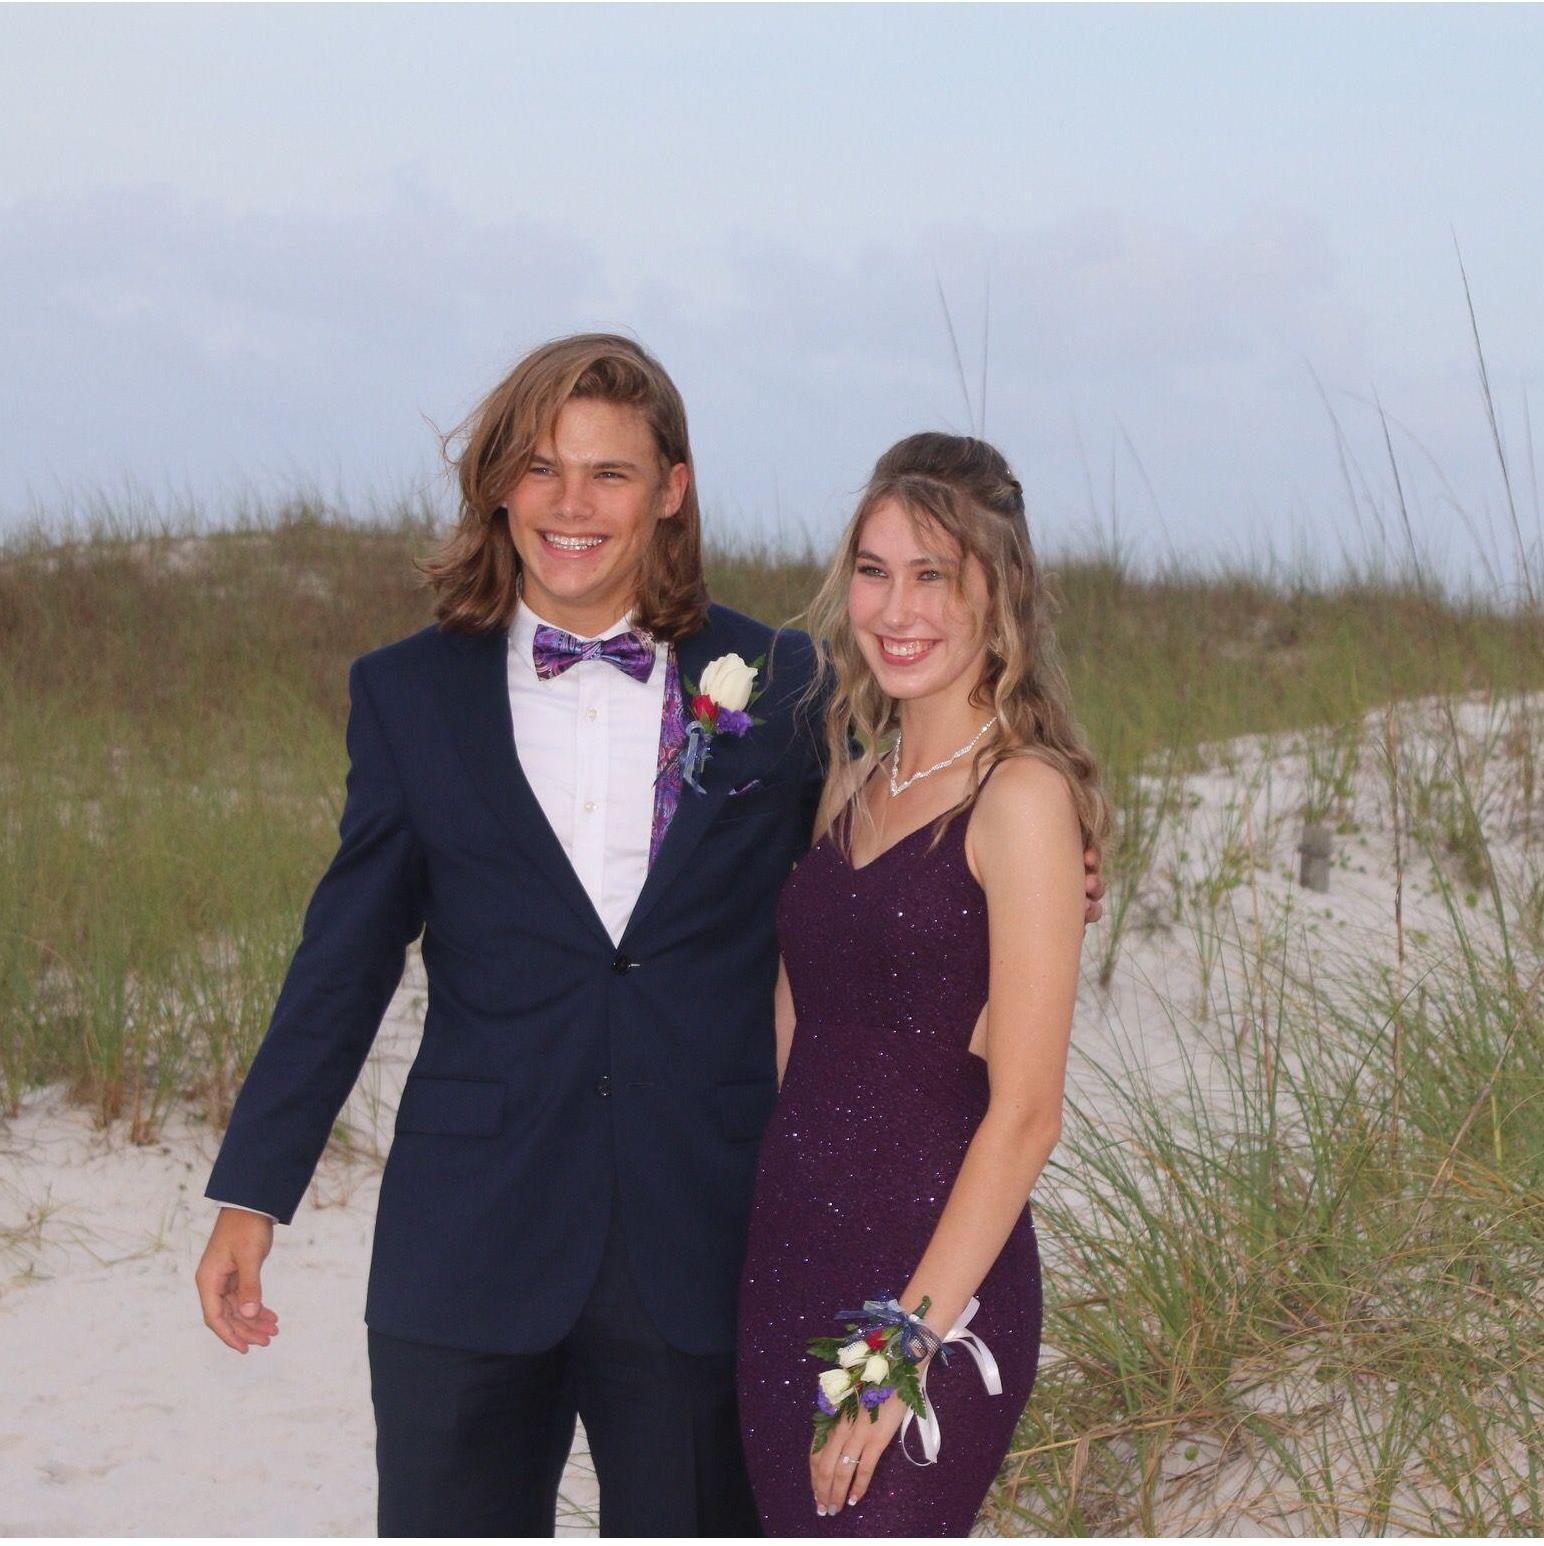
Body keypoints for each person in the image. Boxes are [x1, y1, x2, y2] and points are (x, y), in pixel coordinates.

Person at [193, 334, 1107, 1537]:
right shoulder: (407, 695)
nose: (573, 505)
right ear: (500, 487)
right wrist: (254, 1191)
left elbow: (933, 847)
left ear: (669, 488)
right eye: (541, 467)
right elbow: (344, 957)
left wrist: (1057, 870)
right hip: (465, 1240)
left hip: (705, 1243)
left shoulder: (779, 686)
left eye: (611, 473)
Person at [736, 431, 1108, 1535]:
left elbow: (1027, 1112)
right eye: (872, 570)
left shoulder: (1023, 797)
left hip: (931, 1282)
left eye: (931, 574)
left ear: (998, 591)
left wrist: (904, 1342)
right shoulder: (846, 784)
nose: (895, 608)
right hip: (787, 1259)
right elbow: (798, 1037)